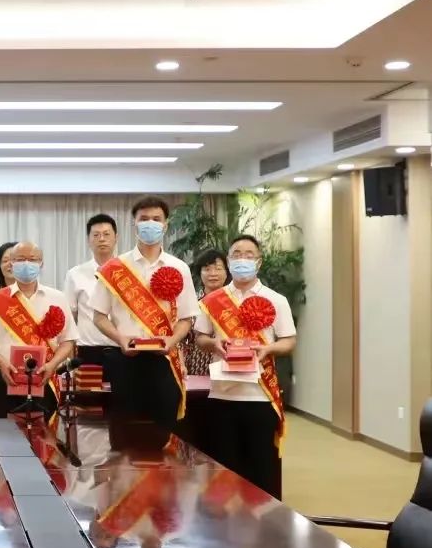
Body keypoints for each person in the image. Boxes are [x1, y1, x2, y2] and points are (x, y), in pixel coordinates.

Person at [195, 235, 295, 498]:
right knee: (223, 470)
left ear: (259, 262)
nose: (243, 259)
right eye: (237, 254)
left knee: (261, 469)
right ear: (229, 261)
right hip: (222, 395)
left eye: (249, 255)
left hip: (260, 395)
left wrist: (268, 349)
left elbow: (288, 341)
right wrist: (214, 344)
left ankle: (263, 520)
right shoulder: (212, 301)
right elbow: (200, 338)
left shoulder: (276, 299)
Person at [90, 196, 198, 430]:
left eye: (156, 219)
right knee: (125, 430)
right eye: (144, 219)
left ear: (165, 225)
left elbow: (187, 318)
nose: (150, 223)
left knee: (164, 429)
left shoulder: (179, 267)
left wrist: (172, 340)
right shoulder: (114, 268)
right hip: (125, 360)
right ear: (135, 224)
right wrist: (120, 338)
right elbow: (98, 317)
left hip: (165, 361)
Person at [0, 241, 77, 415]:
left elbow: (68, 340)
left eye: (32, 259)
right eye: (20, 259)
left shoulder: (58, 297)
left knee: (45, 430)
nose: (26, 264)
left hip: (45, 379)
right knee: (4, 431)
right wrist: (2, 363)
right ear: (12, 263)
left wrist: (53, 364)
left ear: (41, 263)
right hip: (6, 379)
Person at [64, 214, 120, 380]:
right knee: (88, 396)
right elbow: (70, 317)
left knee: (122, 395)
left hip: (122, 349)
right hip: (88, 351)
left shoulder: (128, 273)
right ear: (88, 240)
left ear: (116, 238)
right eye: (96, 235)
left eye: (106, 234)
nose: (101, 239)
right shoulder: (75, 274)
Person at [181, 249, 231, 377]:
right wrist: (181, 364)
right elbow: (179, 340)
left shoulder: (234, 303)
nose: (213, 274)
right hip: (195, 368)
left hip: (228, 366)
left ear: (227, 272)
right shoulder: (191, 303)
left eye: (218, 269)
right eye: (207, 269)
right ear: (200, 273)